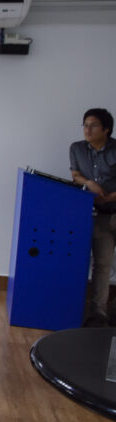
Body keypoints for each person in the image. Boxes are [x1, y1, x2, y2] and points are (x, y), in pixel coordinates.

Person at [70, 108, 116, 327]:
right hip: (100, 216)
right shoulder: (77, 148)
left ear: (106, 129)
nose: (87, 129)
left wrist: (109, 196)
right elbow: (76, 175)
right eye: (85, 125)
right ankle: (98, 314)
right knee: (102, 264)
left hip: (113, 206)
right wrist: (90, 184)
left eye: (93, 125)